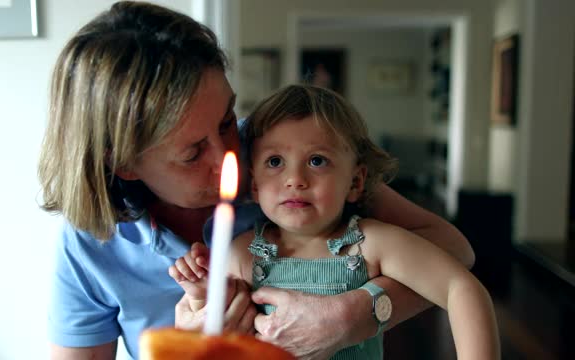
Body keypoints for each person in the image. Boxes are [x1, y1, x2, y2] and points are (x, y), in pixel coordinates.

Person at [38, 1, 475, 359]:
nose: (231, 154)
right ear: (125, 165)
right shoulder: (91, 244)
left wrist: (359, 313)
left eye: (227, 120)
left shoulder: (280, 158)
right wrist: (182, 351)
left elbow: (452, 248)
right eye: (192, 152)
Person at [170, 84, 500, 359]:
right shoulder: (243, 254)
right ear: (254, 185)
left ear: (355, 182)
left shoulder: (372, 244)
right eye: (275, 161)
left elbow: (462, 288)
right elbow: (218, 330)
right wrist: (201, 294)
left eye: (317, 160)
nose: (295, 179)